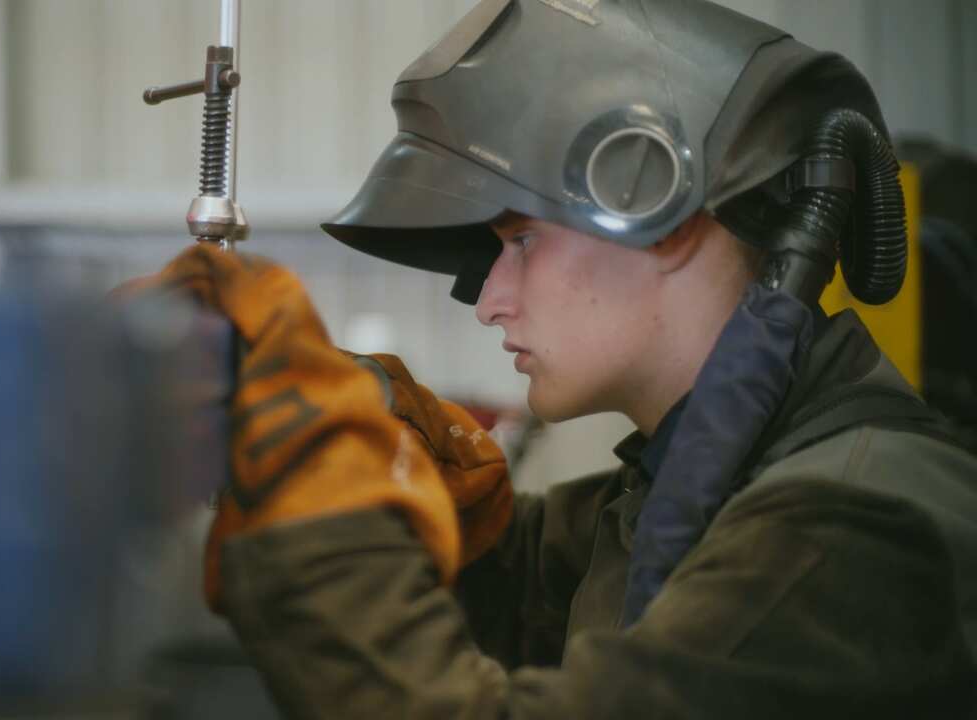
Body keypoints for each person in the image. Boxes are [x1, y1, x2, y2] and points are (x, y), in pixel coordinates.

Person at [132, 0, 977, 716]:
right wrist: (371, 423)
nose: (491, 298)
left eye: (523, 240)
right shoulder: (700, 488)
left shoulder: (845, 537)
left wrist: (304, 470)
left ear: (664, 214)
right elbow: (536, 593)